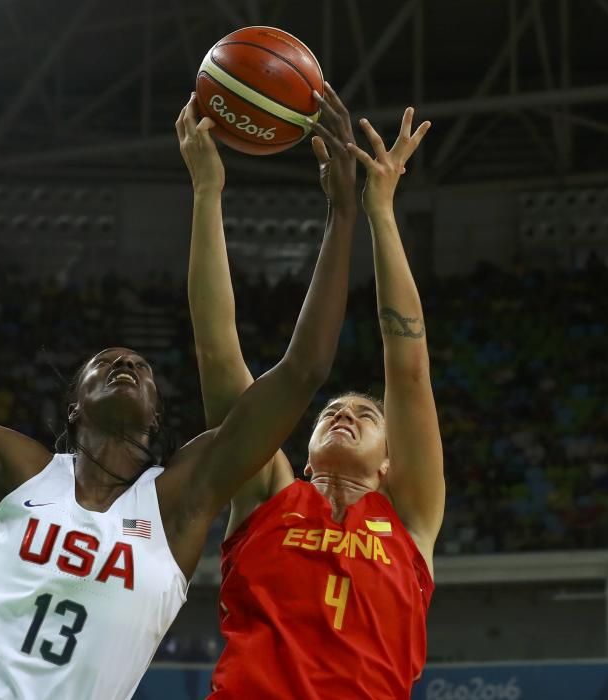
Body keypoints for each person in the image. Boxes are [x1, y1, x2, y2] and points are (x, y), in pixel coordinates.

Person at [0, 94, 355, 700]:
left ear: (157, 414)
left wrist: (343, 213)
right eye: (106, 363)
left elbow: (303, 371)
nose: (125, 363)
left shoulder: (179, 501)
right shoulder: (18, 468)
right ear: (75, 405)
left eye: (139, 365)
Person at [180, 86, 442, 699]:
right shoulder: (268, 493)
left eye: (363, 414)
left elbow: (408, 367)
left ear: (388, 462)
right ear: (304, 452)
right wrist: (205, 193)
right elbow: (218, 354)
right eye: (333, 411)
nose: (344, 414)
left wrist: (379, 210)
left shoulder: (411, 517)